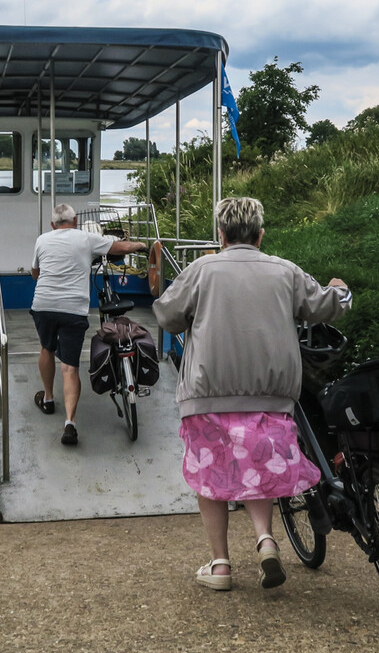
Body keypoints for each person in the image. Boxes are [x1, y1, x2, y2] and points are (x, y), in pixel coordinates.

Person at [152, 196, 352, 591]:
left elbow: (166, 315)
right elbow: (324, 306)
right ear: (260, 235)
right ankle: (265, 539)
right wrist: (341, 291)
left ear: (221, 235)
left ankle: (221, 566)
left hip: (207, 394)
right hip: (271, 395)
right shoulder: (284, 271)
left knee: (210, 476)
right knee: (259, 469)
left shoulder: (201, 269)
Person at [31, 203, 148, 446]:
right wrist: (142, 245)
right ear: (75, 222)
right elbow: (121, 246)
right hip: (73, 308)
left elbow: (36, 273)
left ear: (53, 225)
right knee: (70, 368)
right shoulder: (86, 237)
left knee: (47, 349)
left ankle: (49, 398)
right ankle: (70, 424)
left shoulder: (42, 240)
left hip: (44, 304)